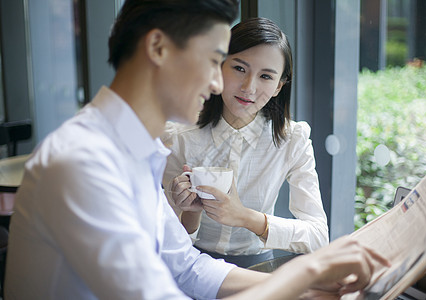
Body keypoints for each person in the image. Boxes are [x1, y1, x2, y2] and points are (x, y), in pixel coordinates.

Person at [5, 0, 389, 299]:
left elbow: (186, 267)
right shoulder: (81, 163)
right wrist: (307, 272)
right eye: (216, 61)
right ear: (158, 47)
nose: (219, 82)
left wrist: (304, 286)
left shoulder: (135, 151)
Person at [163, 17, 328, 267]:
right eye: (239, 68)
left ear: (278, 87)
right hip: (190, 265)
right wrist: (190, 213)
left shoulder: (293, 139)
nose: (249, 87)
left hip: (259, 269)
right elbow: (166, 241)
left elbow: (319, 237)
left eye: (265, 76)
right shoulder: (179, 137)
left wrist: (245, 217)